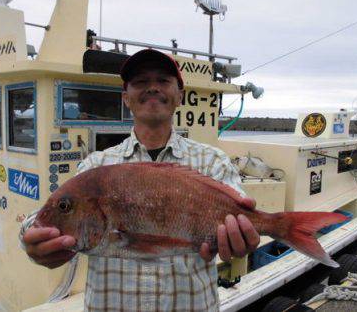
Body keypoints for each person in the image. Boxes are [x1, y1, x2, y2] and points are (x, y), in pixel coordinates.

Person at [21, 49, 260, 311]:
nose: (152, 88)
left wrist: (245, 234)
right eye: (140, 82)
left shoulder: (213, 162)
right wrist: (32, 237)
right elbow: (47, 214)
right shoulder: (96, 164)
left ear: (180, 96)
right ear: (126, 98)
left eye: (163, 81)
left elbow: (242, 216)